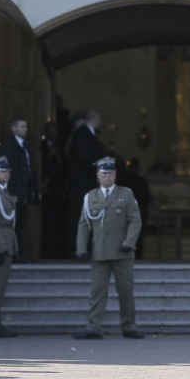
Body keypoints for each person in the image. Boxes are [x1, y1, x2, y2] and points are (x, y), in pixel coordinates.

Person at [73, 157, 143, 340]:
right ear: (97, 175)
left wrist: (129, 242)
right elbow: (84, 224)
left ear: (116, 174)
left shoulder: (126, 194)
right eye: (104, 173)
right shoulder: (90, 197)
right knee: (97, 291)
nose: (108, 177)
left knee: (126, 291)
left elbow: (135, 220)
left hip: (123, 252)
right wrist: (81, 248)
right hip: (100, 252)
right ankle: (94, 327)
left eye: (111, 173)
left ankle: (129, 326)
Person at [67, 109, 105, 256]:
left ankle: (83, 247)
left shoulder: (86, 134)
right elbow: (86, 158)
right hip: (81, 183)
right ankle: (78, 248)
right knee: (79, 215)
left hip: (84, 182)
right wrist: (96, 175)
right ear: (95, 120)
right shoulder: (83, 134)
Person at [0, 116, 39, 254]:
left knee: (21, 222)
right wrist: (11, 193)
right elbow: (7, 170)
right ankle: (14, 253)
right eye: (22, 126)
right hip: (15, 191)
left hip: (24, 190)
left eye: (26, 126)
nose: (25, 129)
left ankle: (18, 252)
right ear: (13, 128)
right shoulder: (9, 146)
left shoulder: (25, 145)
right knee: (14, 223)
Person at [0, 157, 18, 337]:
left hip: (6, 240)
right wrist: (0, 247)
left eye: (7, 170)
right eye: (1, 170)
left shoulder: (1, 191)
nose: (6, 173)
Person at [40, 121, 68, 259]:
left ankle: (57, 251)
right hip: (48, 190)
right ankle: (48, 251)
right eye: (51, 131)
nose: (54, 134)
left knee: (58, 223)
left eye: (56, 131)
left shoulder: (60, 148)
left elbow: (62, 168)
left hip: (58, 190)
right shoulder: (43, 148)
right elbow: (42, 166)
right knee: (49, 222)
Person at [121, 158, 151, 259]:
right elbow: (146, 198)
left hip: (124, 212)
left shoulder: (122, 180)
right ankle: (137, 255)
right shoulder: (141, 181)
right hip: (139, 212)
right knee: (138, 236)